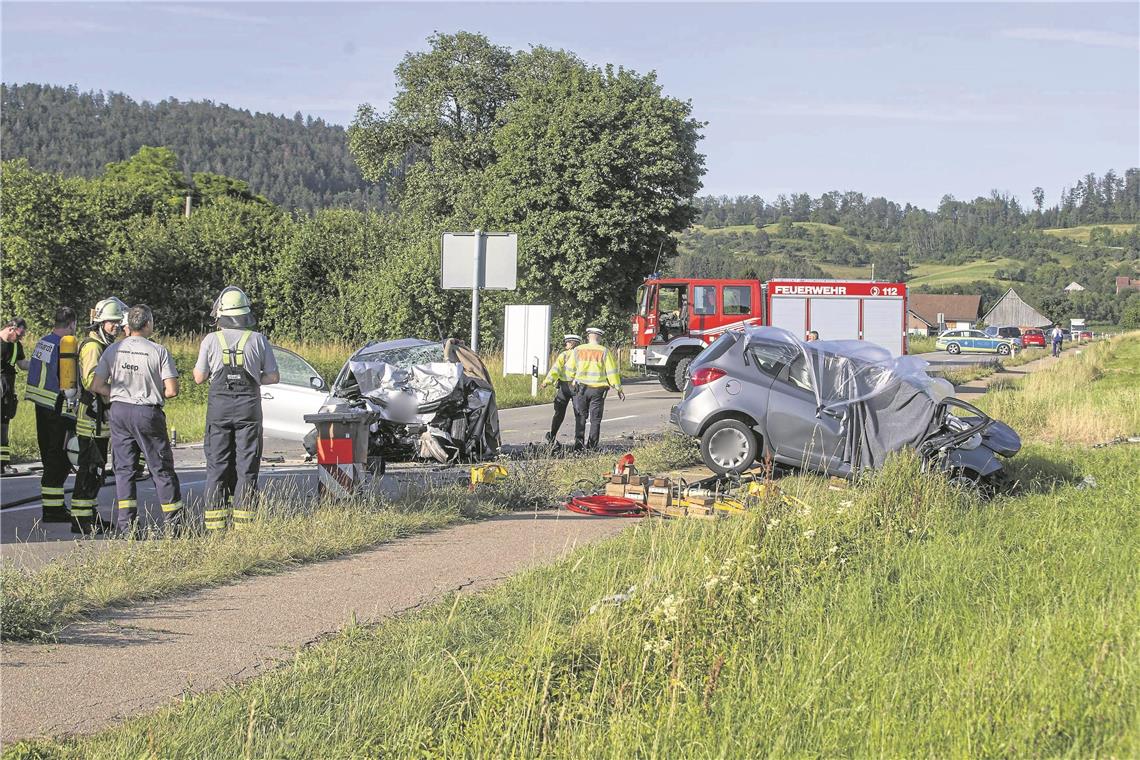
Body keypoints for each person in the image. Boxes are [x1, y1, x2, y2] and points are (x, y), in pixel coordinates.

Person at [192, 287, 279, 532]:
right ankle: (244, 527)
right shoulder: (259, 340)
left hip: (219, 411)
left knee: (217, 467)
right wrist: (253, 377)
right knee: (246, 467)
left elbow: (199, 377)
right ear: (245, 314)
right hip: (248, 411)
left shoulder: (210, 340)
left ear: (221, 315)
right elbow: (273, 376)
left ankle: (215, 528)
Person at [91, 305, 183, 533]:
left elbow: (96, 385)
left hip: (119, 411)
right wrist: (149, 391)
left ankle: (127, 526)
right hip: (146, 412)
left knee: (124, 471)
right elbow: (171, 390)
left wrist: (121, 394)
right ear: (148, 323)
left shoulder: (113, 350)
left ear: (128, 325)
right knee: (160, 469)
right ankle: (174, 526)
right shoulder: (157, 351)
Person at [70, 298, 127, 534]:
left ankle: (89, 515)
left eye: (117, 322)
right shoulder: (92, 347)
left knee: (96, 471)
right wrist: (120, 392)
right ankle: (81, 520)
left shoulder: (102, 345)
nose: (116, 326)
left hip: (99, 419)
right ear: (101, 322)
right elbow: (92, 382)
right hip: (91, 419)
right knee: (89, 469)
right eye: (112, 322)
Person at [24, 308, 78, 523]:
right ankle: (53, 509)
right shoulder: (64, 345)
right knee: (59, 458)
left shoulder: (43, 341)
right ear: (72, 323)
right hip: (56, 406)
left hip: (41, 404)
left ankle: (53, 507)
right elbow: (67, 379)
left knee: (49, 454)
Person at [566, 327, 625, 451]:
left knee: (580, 417)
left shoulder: (578, 350)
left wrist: (571, 380)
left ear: (588, 337)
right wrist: (618, 388)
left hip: (581, 388)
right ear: (599, 337)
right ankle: (592, 447)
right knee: (595, 419)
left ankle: (578, 446)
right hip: (598, 390)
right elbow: (611, 372)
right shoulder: (604, 351)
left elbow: (569, 369)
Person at [540, 334, 581, 445]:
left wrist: (546, 382)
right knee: (579, 413)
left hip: (564, 387)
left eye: (567, 342)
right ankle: (579, 441)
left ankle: (552, 435)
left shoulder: (564, 355)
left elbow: (555, 369)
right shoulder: (582, 355)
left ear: (572, 343)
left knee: (559, 413)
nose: (565, 344)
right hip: (577, 387)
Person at [1, 318, 30, 475]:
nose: (21, 338)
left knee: (4, 426)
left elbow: (23, 364)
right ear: (11, 328)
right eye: (19, 334)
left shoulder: (16, 346)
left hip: (6, 391)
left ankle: (4, 463)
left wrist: (40, 363)